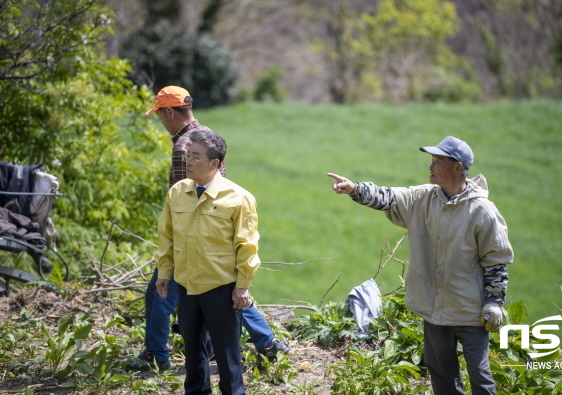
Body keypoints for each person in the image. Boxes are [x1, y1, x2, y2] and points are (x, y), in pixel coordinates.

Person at [327, 136, 513, 395]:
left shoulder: (482, 211)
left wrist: (494, 302)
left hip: (469, 310)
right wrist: (355, 189)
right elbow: (388, 197)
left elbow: (496, 260)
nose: (431, 165)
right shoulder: (421, 198)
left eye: (438, 160)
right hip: (433, 307)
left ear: (457, 168)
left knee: (480, 379)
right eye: (432, 159)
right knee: (441, 376)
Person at [127, 86, 287, 373]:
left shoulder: (183, 149)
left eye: (160, 115)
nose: (161, 123)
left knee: (160, 294)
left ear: (170, 112)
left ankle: (156, 354)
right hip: (215, 236)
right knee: (225, 292)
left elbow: (184, 197)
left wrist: (175, 247)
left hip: (192, 238)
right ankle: (266, 342)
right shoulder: (205, 136)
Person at [156, 129, 259, 394]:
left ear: (215, 163)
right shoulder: (178, 192)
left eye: (196, 157)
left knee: (227, 357)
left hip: (221, 289)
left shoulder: (239, 198)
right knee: (192, 355)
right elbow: (166, 236)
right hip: (187, 286)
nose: (188, 162)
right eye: (188, 156)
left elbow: (247, 245)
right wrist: (164, 273)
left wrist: (243, 286)